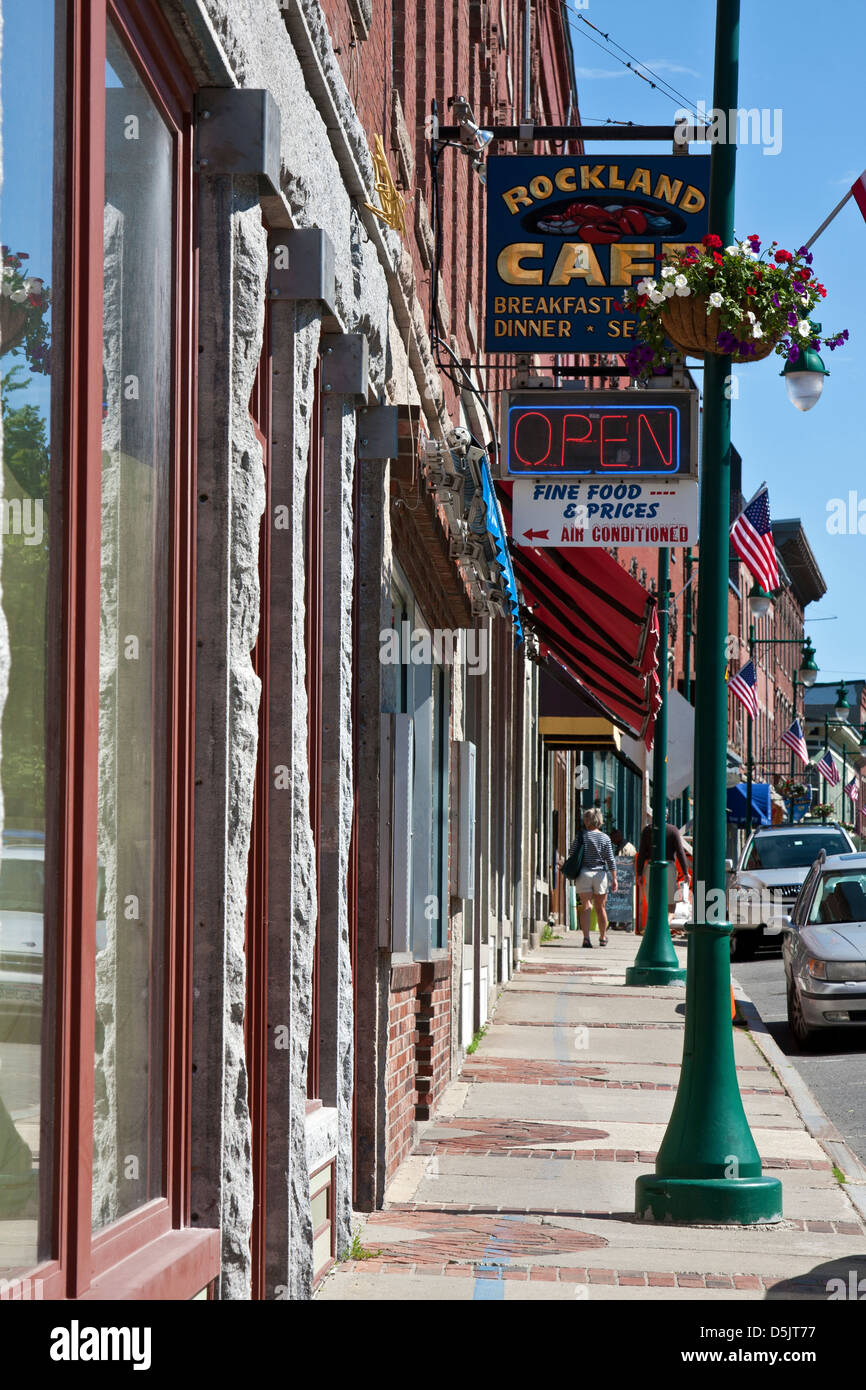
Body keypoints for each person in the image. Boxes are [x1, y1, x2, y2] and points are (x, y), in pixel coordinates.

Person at [568, 807, 617, 947]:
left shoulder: (581, 836)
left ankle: (586, 938)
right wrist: (614, 878)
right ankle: (603, 937)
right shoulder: (605, 838)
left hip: (584, 873)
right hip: (600, 874)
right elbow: (610, 859)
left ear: (586, 820)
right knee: (601, 907)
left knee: (586, 906)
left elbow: (572, 853)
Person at [635, 821, 691, 934]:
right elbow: (680, 852)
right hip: (668, 867)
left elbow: (641, 853)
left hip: (651, 867)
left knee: (652, 901)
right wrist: (685, 872)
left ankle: (654, 928)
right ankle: (664, 927)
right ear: (666, 816)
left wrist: (639, 873)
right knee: (671, 905)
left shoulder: (647, 830)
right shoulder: (673, 830)